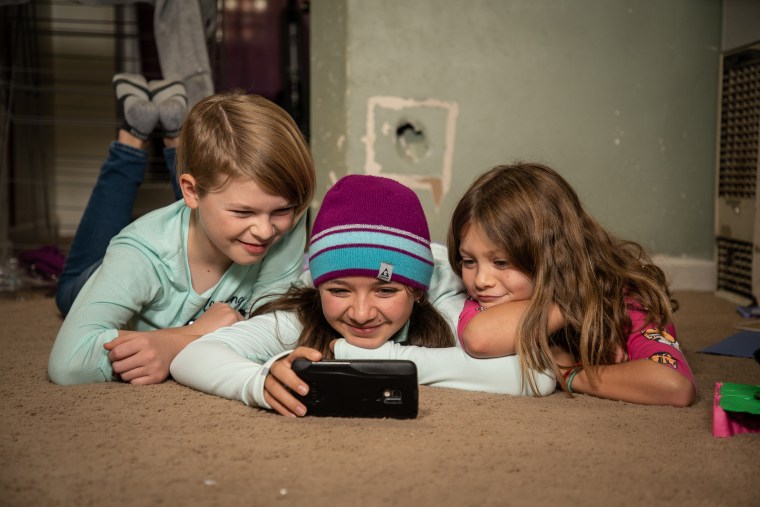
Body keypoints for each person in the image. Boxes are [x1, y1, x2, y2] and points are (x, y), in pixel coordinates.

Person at [170, 175, 556, 417]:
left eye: (385, 290)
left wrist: (379, 357)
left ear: (418, 291)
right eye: (338, 289)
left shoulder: (448, 300)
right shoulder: (304, 314)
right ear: (318, 286)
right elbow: (192, 356)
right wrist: (256, 382)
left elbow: (537, 376)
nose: (360, 311)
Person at [48, 80, 316, 386]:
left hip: (197, 226)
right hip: (105, 271)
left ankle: (178, 139)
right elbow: (68, 364)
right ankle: (131, 139)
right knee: (67, 290)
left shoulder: (287, 221)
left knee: (212, 202)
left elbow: (274, 327)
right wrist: (190, 335)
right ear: (190, 191)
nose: (265, 231)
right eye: (243, 212)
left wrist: (174, 345)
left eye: (281, 211)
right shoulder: (139, 253)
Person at [449, 163, 696, 407]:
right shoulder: (485, 300)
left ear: (554, 257)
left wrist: (568, 372)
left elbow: (674, 386)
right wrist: (569, 307)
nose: (481, 280)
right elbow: (479, 339)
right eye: (469, 261)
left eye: (501, 262)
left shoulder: (625, 298)